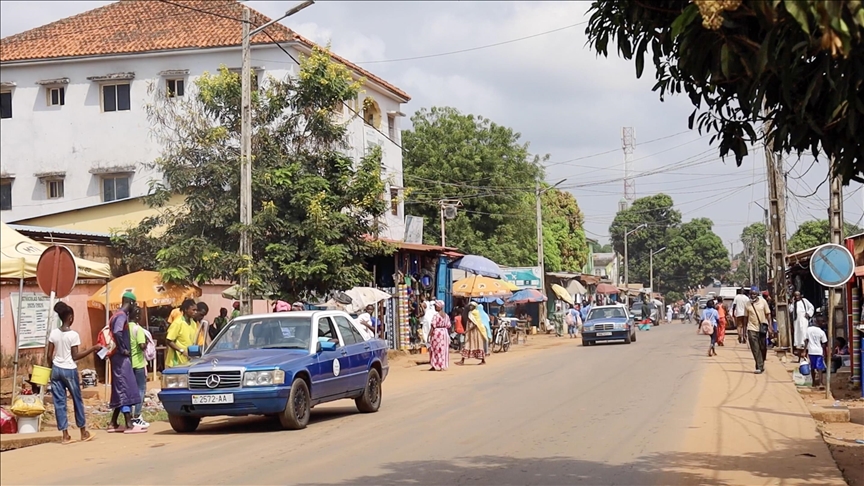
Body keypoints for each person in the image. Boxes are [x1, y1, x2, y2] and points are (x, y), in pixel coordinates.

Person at [47, 302, 101, 444]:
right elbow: (75, 356)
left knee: (59, 403)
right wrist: (93, 348)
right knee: (77, 400)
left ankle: (65, 435)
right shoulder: (73, 335)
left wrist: (52, 368)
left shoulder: (54, 333)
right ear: (70, 317)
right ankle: (83, 432)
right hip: (69, 370)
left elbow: (48, 355)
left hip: (56, 369)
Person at [107, 292, 146, 434]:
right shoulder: (121, 316)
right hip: (120, 358)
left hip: (116, 358)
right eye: (134, 304)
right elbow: (117, 332)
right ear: (130, 303)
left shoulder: (115, 315)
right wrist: (123, 349)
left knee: (120, 388)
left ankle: (113, 422)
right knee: (125, 387)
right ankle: (129, 423)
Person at [128, 306, 150, 429]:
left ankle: (131, 415)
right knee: (141, 389)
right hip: (139, 364)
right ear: (137, 316)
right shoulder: (138, 329)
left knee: (131, 390)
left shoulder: (125, 328)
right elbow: (142, 346)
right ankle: (137, 415)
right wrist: (146, 342)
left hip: (128, 364)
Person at [745, 286, 772, 374]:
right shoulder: (747, 304)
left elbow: (768, 314)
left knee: (763, 347)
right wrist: (743, 331)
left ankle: (761, 362)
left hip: (762, 328)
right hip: (751, 328)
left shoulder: (763, 302)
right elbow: (745, 317)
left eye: (754, 294)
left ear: (757, 294)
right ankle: (759, 366)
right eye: (751, 294)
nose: (753, 295)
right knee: (755, 348)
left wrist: (770, 327)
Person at [165, 299, 198, 369]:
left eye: (196, 310)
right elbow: (168, 340)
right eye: (193, 310)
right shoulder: (177, 323)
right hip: (176, 362)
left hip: (188, 361)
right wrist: (181, 351)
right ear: (186, 310)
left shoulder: (193, 324)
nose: (195, 312)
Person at [427, 301, 451, 371]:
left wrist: (429, 335)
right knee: (443, 350)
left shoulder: (436, 316)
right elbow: (449, 325)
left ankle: (434, 365)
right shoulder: (446, 315)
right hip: (444, 333)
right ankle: (442, 366)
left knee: (435, 349)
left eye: (436, 306)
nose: (434, 307)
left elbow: (433, 326)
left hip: (437, 334)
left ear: (439, 307)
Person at [804, 322, 828, 387]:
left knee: (812, 367)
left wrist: (804, 351)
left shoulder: (808, 330)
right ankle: (820, 383)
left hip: (811, 351)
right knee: (819, 367)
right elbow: (824, 343)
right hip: (819, 351)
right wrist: (824, 353)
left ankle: (813, 382)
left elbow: (806, 341)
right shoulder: (821, 332)